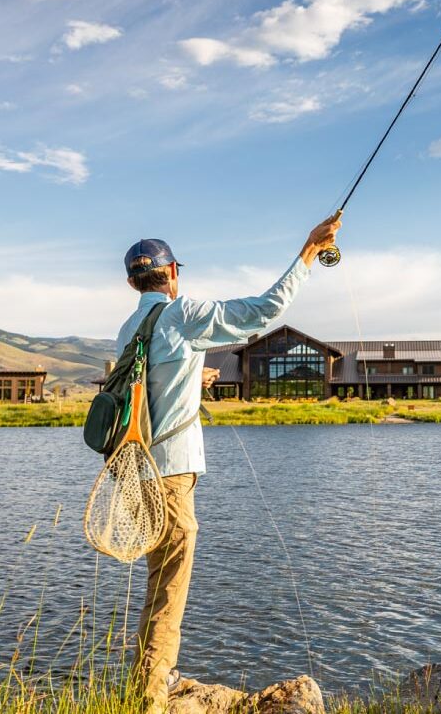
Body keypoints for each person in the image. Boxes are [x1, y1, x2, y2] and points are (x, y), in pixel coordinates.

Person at [114, 213, 341, 713]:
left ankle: (148, 680)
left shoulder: (129, 328)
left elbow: (147, 394)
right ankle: (150, 697)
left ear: (134, 282)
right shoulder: (182, 313)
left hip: (134, 472)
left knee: (158, 577)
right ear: (172, 274)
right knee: (170, 582)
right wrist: (308, 252)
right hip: (170, 473)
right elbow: (264, 311)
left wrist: (191, 383)